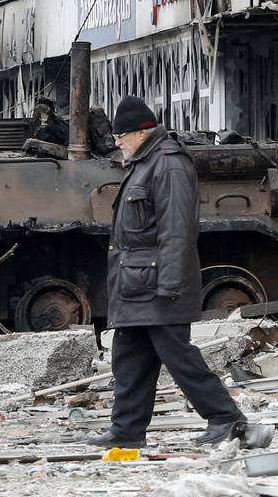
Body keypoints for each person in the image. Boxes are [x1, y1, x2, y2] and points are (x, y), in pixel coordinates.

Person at [90, 96, 249, 450]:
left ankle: (226, 417)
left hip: (159, 283)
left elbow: (178, 230)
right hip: (137, 283)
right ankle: (126, 429)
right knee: (129, 356)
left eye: (122, 136)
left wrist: (171, 284)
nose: (117, 142)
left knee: (178, 356)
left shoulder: (169, 165)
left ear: (142, 132)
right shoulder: (143, 162)